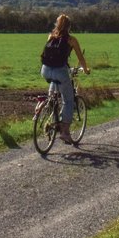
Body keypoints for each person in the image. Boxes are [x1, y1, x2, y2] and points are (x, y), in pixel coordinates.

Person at [40, 14, 90, 142]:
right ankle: (65, 132)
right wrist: (85, 69)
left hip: (45, 70)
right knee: (68, 100)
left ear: (57, 25)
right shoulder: (71, 40)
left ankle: (47, 106)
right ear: (69, 26)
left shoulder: (50, 36)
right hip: (60, 71)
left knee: (54, 86)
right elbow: (80, 58)